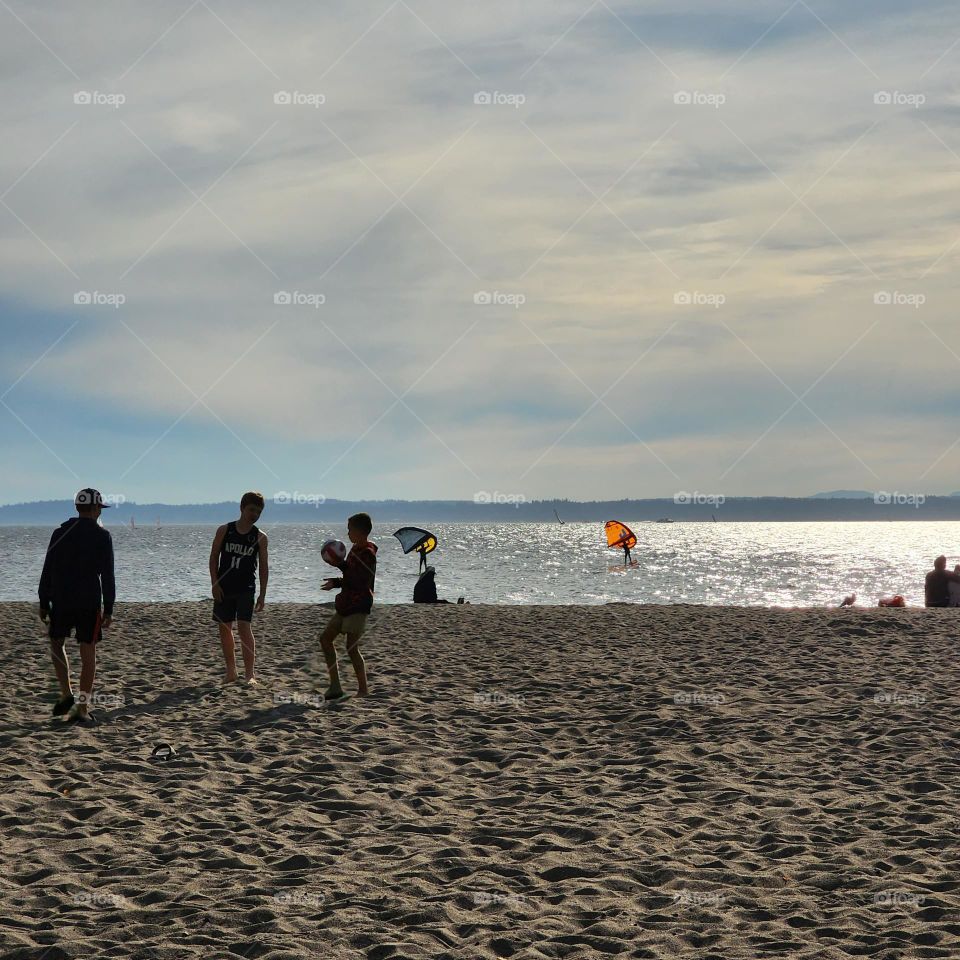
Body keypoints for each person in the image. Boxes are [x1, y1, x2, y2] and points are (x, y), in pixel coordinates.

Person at [38, 488, 116, 723]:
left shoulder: (59, 533)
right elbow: (108, 576)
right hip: (88, 602)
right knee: (88, 651)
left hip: (61, 599)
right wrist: (109, 608)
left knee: (57, 643)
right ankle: (81, 708)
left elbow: (48, 568)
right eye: (99, 508)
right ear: (94, 509)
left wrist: (43, 600)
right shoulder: (102, 536)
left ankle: (66, 695)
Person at [209, 492, 269, 684]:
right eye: (252, 510)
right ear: (242, 508)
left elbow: (264, 568)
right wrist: (215, 583)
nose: (254, 514)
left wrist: (263, 594)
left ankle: (250, 674)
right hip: (225, 587)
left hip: (246, 588)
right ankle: (231, 672)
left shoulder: (260, 537)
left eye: (258, 512)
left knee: (244, 627)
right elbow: (213, 557)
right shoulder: (225, 530)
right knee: (224, 628)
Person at [319, 513, 377, 700]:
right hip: (345, 604)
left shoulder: (368, 553)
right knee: (325, 639)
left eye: (350, 529)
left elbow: (360, 581)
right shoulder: (354, 549)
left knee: (351, 648)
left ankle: (363, 690)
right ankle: (335, 686)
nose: (348, 533)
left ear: (360, 532)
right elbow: (350, 574)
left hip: (359, 605)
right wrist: (338, 575)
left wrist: (339, 571)